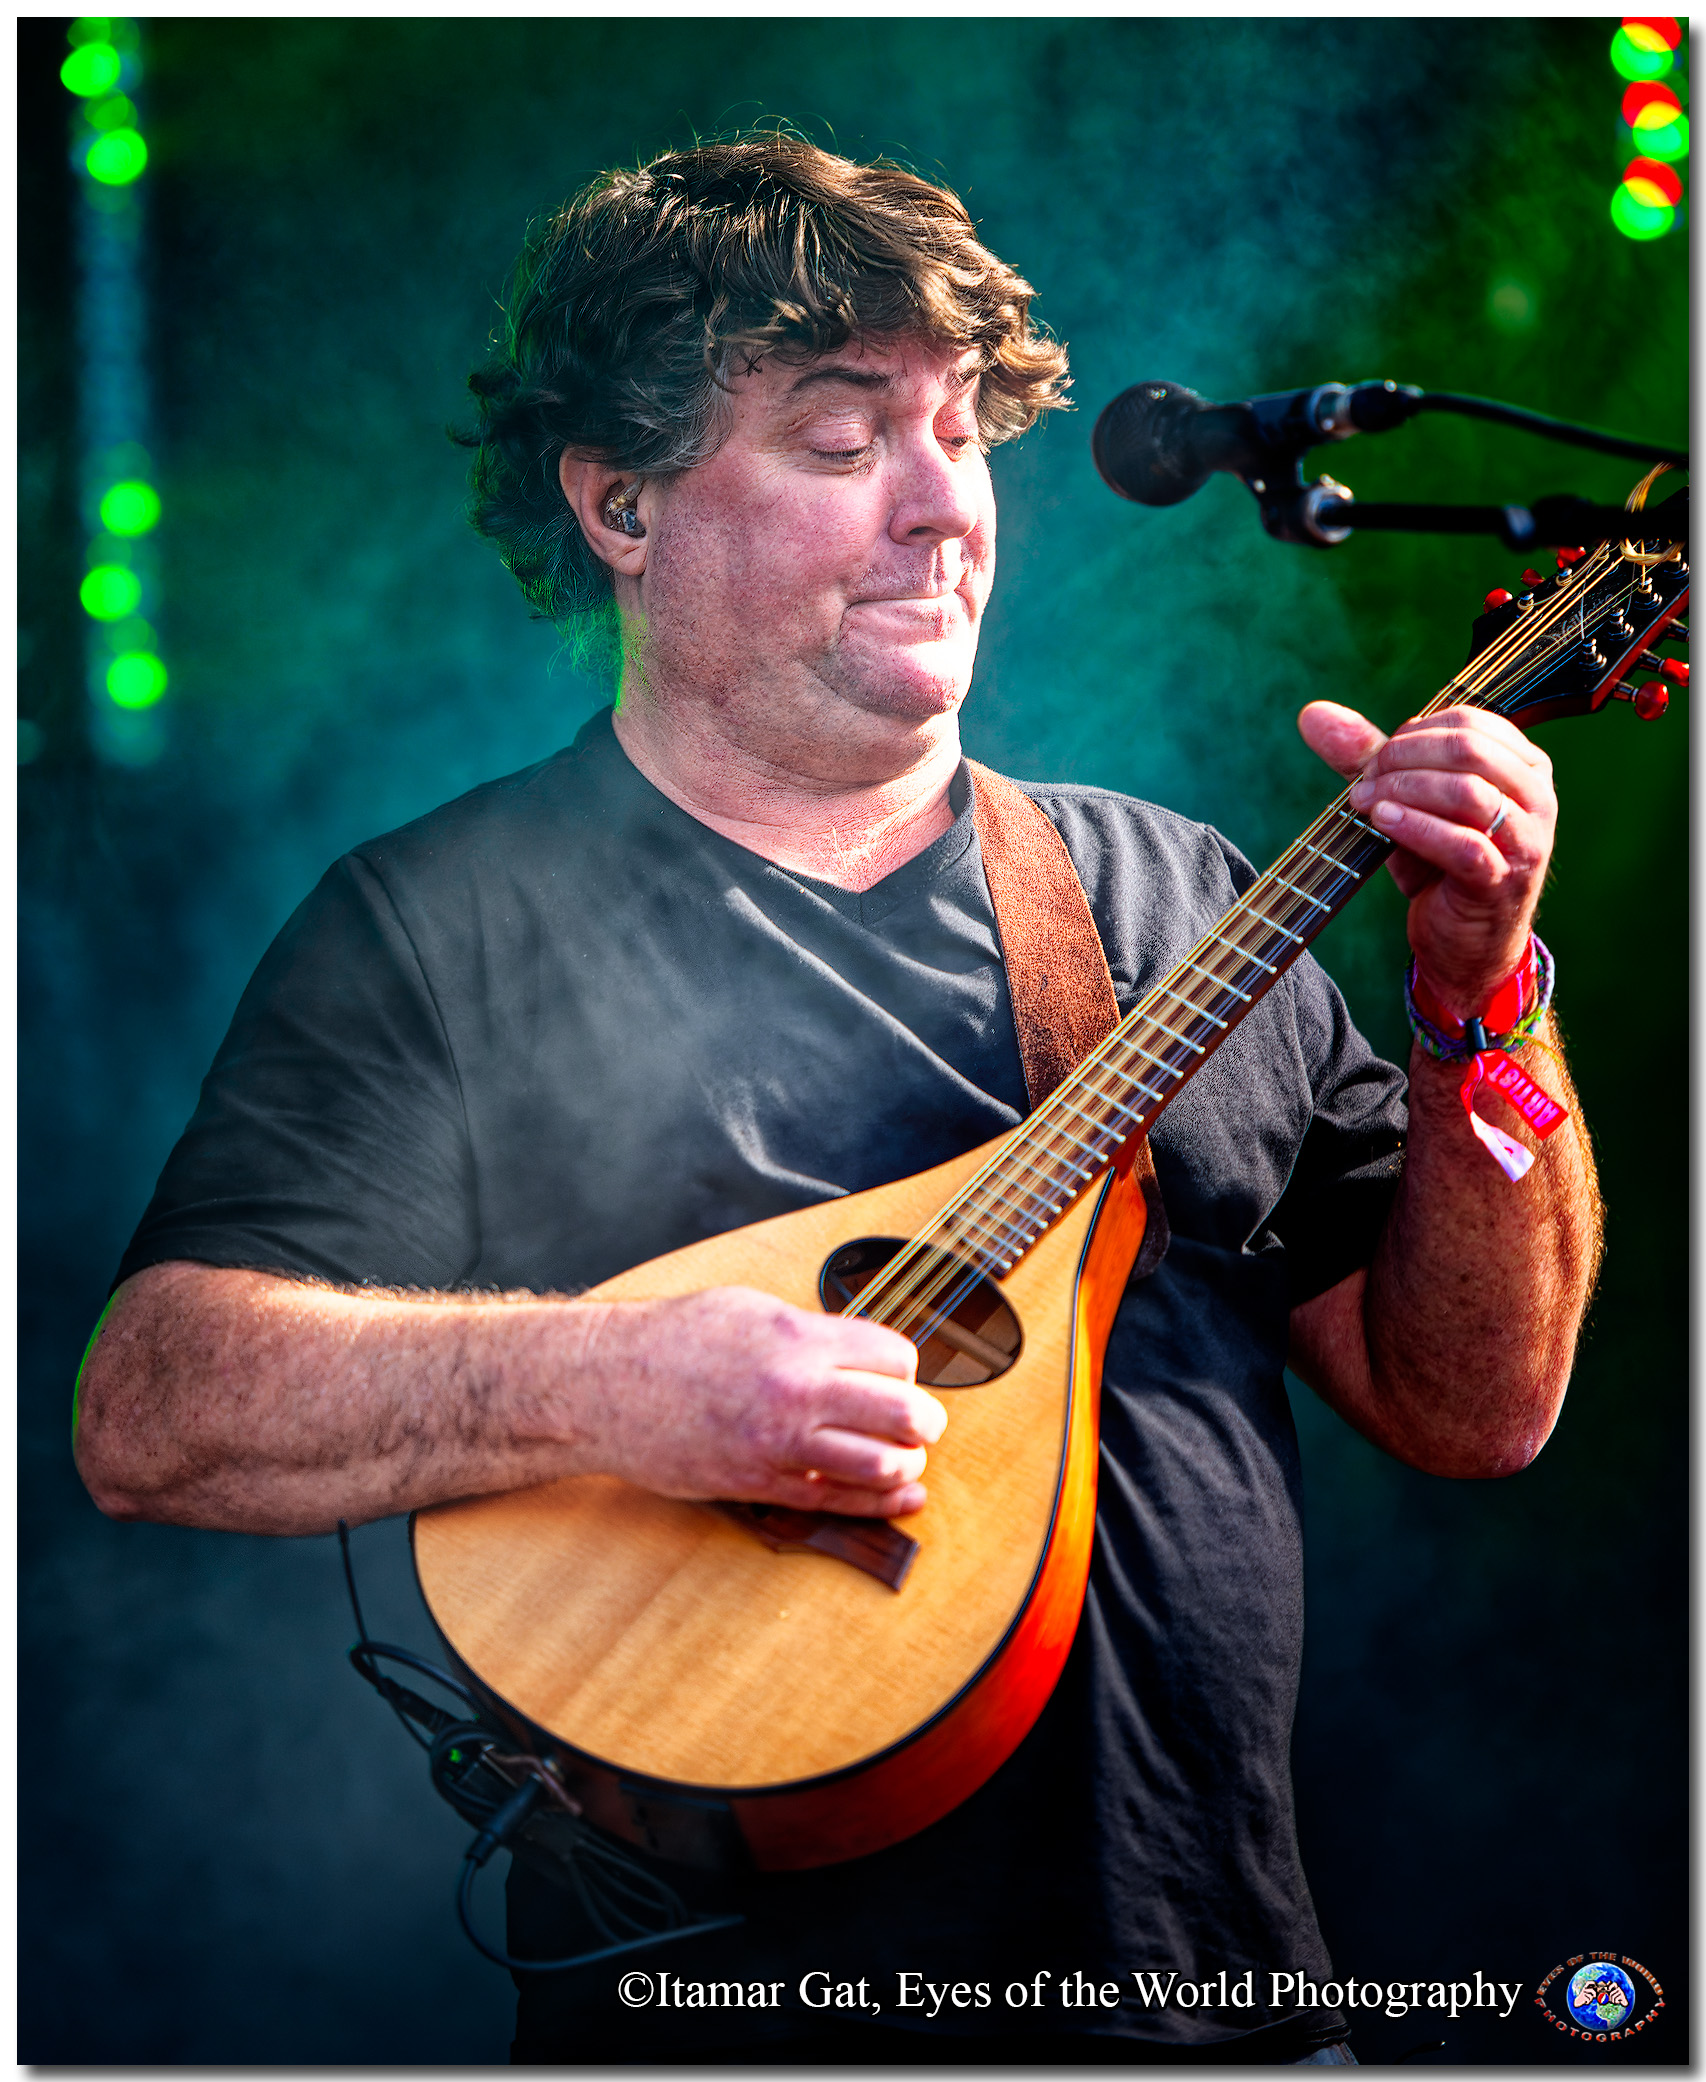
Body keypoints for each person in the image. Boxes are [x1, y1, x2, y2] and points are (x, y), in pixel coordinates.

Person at [74, 134, 1599, 2065]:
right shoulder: (437, 926)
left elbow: (1475, 1404)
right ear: (619, 503)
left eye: (959, 435)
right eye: (840, 437)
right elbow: (157, 1407)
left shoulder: (1177, 896)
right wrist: (608, 1383)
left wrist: (1482, 996)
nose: (939, 504)